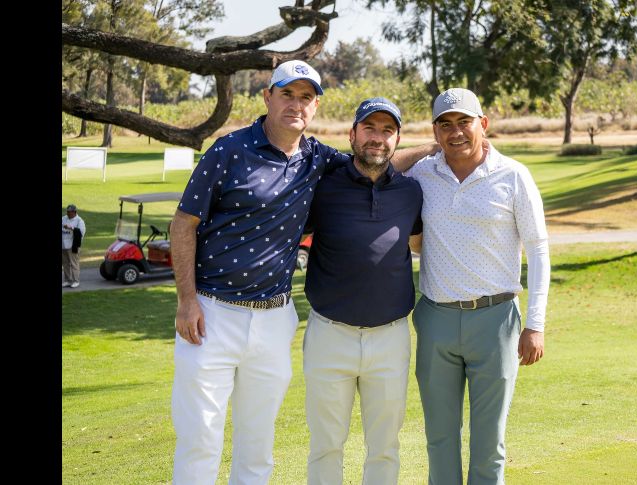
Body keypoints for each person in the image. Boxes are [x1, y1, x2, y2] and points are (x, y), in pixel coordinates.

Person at [169, 60, 435, 485]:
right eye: (287, 94)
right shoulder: (229, 149)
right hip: (213, 312)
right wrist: (186, 300)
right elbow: (184, 223)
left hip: (275, 318)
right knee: (201, 438)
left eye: (305, 97)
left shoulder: (317, 158)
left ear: (315, 106)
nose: (296, 104)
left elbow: (375, 161)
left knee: (257, 445)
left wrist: (439, 146)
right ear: (267, 97)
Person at [405, 88, 551, 484]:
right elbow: (380, 167)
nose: (456, 132)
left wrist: (535, 324)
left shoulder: (513, 175)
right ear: (434, 131)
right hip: (435, 319)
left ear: (483, 124)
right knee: (439, 439)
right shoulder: (422, 174)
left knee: (489, 443)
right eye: (445, 125)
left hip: (496, 321)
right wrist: (428, 149)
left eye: (464, 122)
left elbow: (538, 250)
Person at [302, 98, 422, 485]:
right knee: (325, 445)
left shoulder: (410, 192)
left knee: (385, 446)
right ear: (352, 134)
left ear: (397, 140)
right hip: (329, 335)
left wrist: (436, 147)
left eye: (388, 131)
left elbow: (420, 243)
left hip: (390, 339)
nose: (378, 138)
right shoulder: (322, 187)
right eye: (369, 128)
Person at [62, 204, 85, 288]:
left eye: (70, 212)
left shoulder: (79, 221)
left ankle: (76, 281)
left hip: (73, 246)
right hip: (63, 245)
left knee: (74, 264)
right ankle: (68, 280)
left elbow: (80, 233)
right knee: (65, 264)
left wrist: (71, 228)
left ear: (74, 212)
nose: (68, 213)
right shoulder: (63, 219)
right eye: (67, 212)